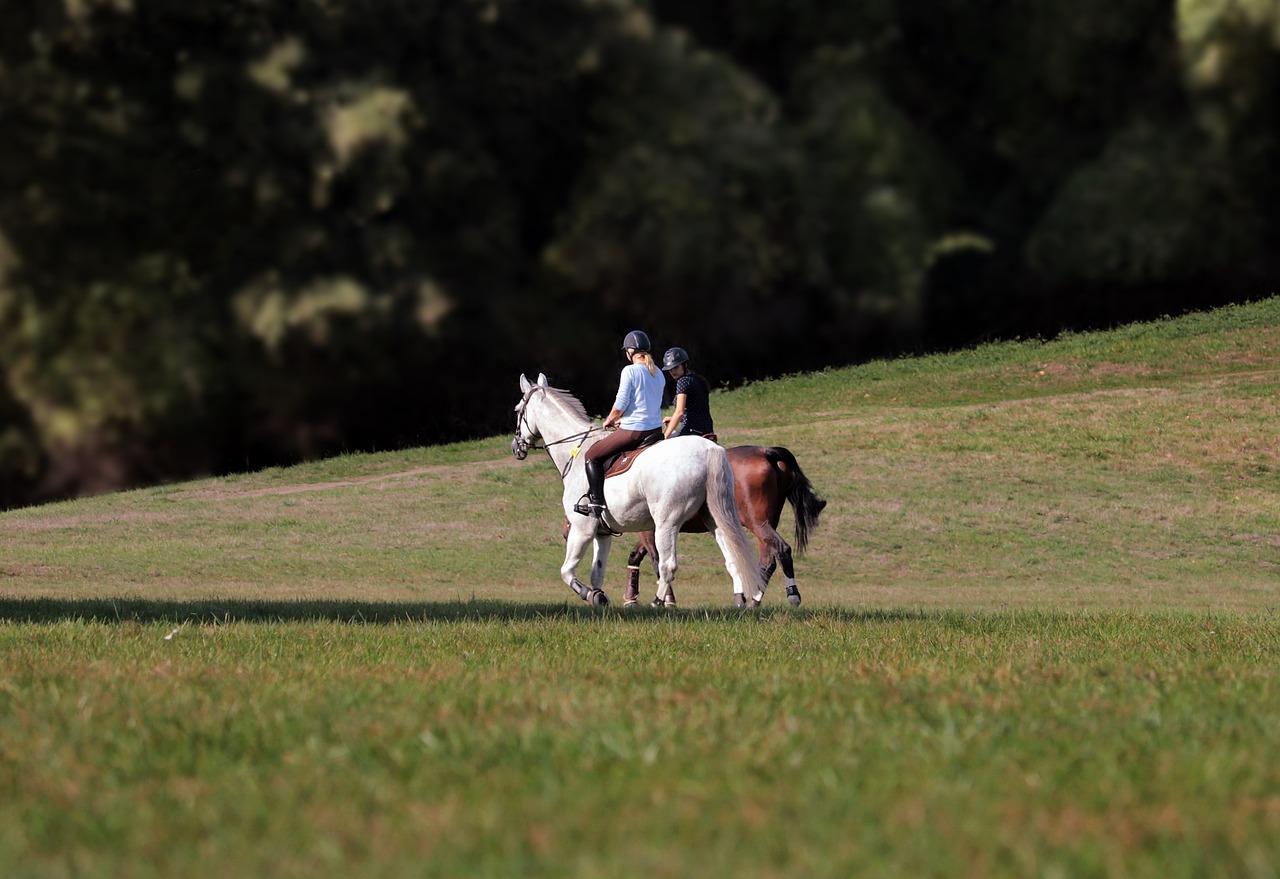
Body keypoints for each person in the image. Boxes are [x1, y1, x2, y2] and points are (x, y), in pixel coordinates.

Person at [574, 330, 666, 519]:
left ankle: (596, 503)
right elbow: (647, 404)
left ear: (630, 352)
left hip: (635, 432)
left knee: (591, 456)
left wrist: (610, 419)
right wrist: (624, 419)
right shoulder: (658, 373)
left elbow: (621, 403)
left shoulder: (630, 371)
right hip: (655, 430)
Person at [661, 346, 716, 441]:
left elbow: (679, 413)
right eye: (670, 369)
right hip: (708, 431)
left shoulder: (683, 382)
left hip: (691, 431)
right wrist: (672, 418)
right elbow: (696, 412)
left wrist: (664, 436)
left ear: (685, 365)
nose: (673, 371)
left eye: (676, 367)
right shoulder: (698, 379)